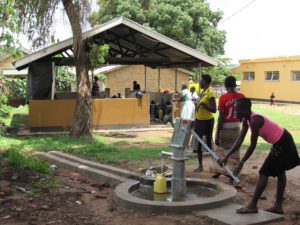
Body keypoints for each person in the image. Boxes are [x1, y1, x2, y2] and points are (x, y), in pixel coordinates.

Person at [219, 98, 300, 214]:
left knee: (263, 173)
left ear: (246, 109)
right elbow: (240, 139)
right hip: (281, 140)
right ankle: (278, 206)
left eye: (237, 110)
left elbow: (252, 146)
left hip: (283, 141)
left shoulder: (254, 120)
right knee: (280, 173)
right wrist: (226, 157)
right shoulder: (246, 120)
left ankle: (253, 206)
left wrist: (241, 164)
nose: (235, 112)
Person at [210, 76, 245, 180]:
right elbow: (243, 113)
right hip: (236, 127)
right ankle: (232, 173)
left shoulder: (223, 98)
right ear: (235, 85)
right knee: (234, 151)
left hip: (225, 128)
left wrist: (217, 133)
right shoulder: (242, 96)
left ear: (225, 85)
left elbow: (221, 117)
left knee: (220, 150)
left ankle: (218, 171)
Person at [194, 74, 217, 172]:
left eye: (201, 80)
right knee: (198, 142)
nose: (199, 82)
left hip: (207, 121)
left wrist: (203, 104)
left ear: (205, 82)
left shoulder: (210, 93)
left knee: (208, 143)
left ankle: (215, 167)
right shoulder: (202, 92)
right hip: (199, 120)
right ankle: (200, 166)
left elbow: (214, 110)